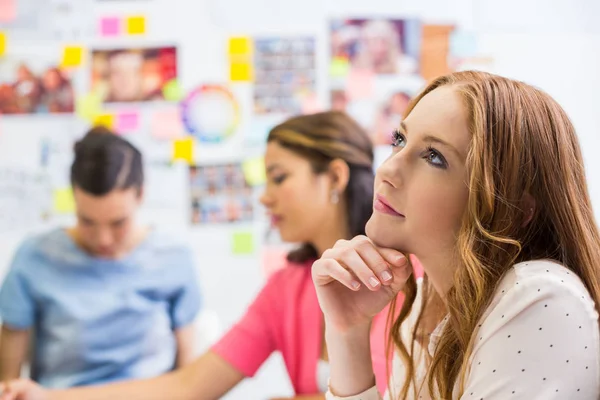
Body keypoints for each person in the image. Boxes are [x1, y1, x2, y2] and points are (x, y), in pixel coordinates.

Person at [0, 111, 401, 400]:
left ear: (334, 177)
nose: (263, 196)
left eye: (279, 177)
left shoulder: (404, 273)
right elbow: (191, 385)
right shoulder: (285, 289)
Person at [310, 71, 600, 399]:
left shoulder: (538, 296)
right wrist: (347, 332)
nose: (387, 171)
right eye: (400, 140)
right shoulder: (424, 304)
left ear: (515, 210)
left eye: (434, 157)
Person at [0, 127, 202, 389]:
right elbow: (8, 382)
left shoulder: (173, 258)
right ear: (73, 195)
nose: (103, 239)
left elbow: (191, 379)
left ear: (141, 195)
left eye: (118, 223)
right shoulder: (34, 258)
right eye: (87, 222)